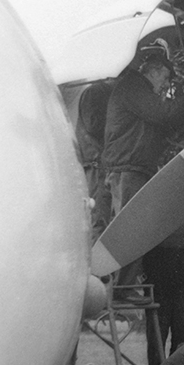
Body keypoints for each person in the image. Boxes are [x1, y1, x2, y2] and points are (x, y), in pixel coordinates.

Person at [101, 44, 184, 296]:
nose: (165, 84)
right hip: (128, 168)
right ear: (153, 71)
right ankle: (123, 288)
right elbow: (162, 115)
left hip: (130, 167)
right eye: (164, 77)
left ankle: (122, 285)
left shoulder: (135, 89)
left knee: (129, 226)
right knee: (131, 227)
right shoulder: (134, 87)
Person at [74, 78, 114, 242]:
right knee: (98, 217)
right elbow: (93, 125)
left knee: (100, 216)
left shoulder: (97, 91)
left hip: (97, 160)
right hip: (96, 161)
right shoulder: (96, 92)